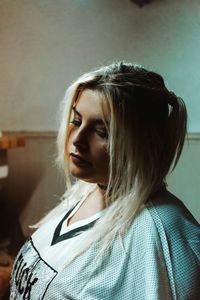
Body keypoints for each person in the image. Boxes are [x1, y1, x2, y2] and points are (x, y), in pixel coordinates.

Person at [10, 62, 200, 299]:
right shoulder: (89, 189)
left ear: (142, 143)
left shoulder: (163, 234)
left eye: (103, 132)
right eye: (77, 121)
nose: (78, 140)